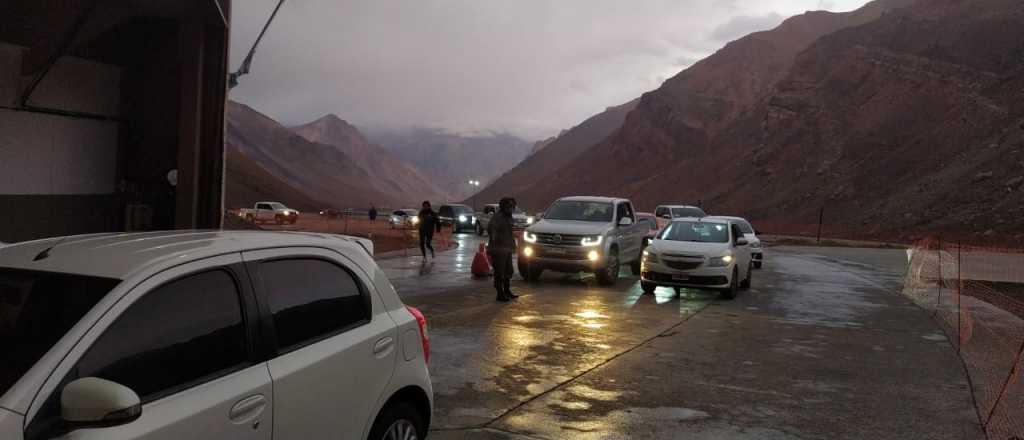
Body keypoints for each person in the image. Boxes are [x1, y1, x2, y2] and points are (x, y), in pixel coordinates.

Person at [487, 197, 519, 302]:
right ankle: (500, 294)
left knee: (508, 271)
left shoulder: (508, 217)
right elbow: (492, 231)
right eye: (509, 206)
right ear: (504, 206)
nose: (511, 208)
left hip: (507, 248)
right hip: (498, 249)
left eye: (512, 206)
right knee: (499, 272)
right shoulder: (497, 218)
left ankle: (507, 291)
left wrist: (513, 247)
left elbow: (510, 233)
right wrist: (494, 245)